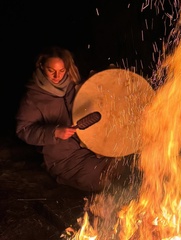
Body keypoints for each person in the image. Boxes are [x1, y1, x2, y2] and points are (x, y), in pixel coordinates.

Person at [15, 46, 131, 192]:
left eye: (61, 71)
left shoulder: (74, 85)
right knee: (104, 181)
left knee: (129, 169)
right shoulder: (33, 97)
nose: (57, 76)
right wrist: (55, 132)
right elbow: (23, 130)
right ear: (41, 66)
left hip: (91, 146)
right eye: (51, 71)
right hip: (65, 158)